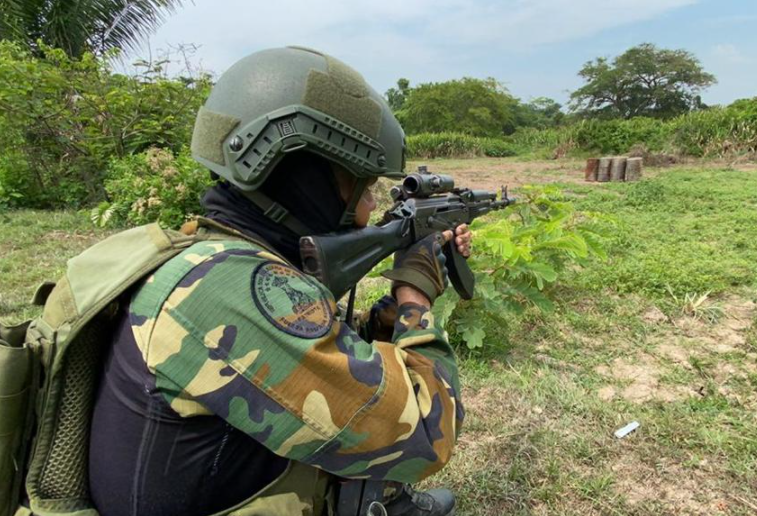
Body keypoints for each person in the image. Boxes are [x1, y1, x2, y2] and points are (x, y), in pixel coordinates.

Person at [88, 46, 471, 516]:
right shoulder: (228, 291)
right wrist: (416, 291)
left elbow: (329, 362)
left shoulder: (208, 255)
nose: (371, 209)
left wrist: (390, 314)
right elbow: (425, 437)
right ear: (305, 176)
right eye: (364, 186)